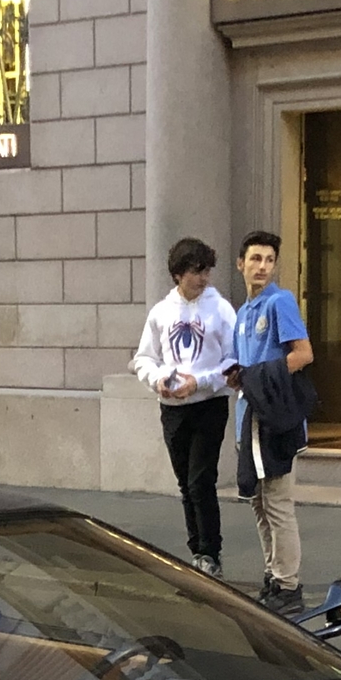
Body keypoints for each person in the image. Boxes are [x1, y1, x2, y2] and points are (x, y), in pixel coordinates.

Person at [131, 236, 237, 576]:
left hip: (209, 404)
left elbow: (234, 359)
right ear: (178, 274)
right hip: (173, 407)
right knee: (184, 482)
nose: (203, 278)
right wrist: (159, 378)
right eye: (195, 271)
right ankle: (197, 550)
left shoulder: (220, 309)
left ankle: (210, 552)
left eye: (206, 271)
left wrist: (201, 381)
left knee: (200, 480)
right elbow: (144, 358)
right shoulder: (161, 313)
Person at [227, 230, 313, 614]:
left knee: (278, 503)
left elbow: (303, 354)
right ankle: (273, 577)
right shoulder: (244, 312)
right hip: (248, 419)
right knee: (258, 503)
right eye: (255, 259)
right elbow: (244, 368)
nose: (262, 266)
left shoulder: (281, 302)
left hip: (274, 419)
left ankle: (289, 586)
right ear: (241, 263)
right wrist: (239, 376)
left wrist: (259, 376)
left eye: (268, 260)